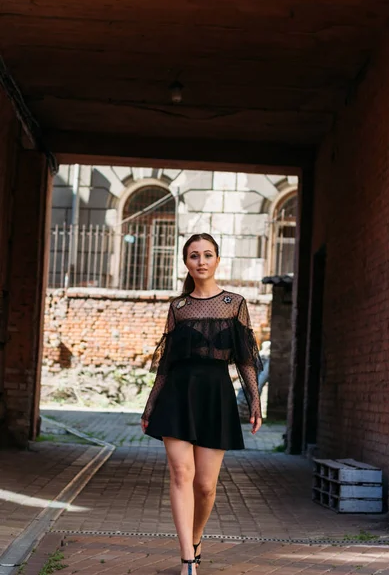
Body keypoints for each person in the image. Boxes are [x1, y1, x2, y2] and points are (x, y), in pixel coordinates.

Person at [141, 233, 262, 575]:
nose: (201, 261)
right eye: (194, 256)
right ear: (186, 263)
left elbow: (246, 359)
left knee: (206, 486)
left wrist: (255, 401)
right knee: (182, 473)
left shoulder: (235, 303)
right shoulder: (177, 308)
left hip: (215, 397)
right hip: (177, 396)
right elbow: (166, 363)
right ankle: (187, 561)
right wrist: (150, 405)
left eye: (207, 255)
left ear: (218, 260)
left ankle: (195, 541)